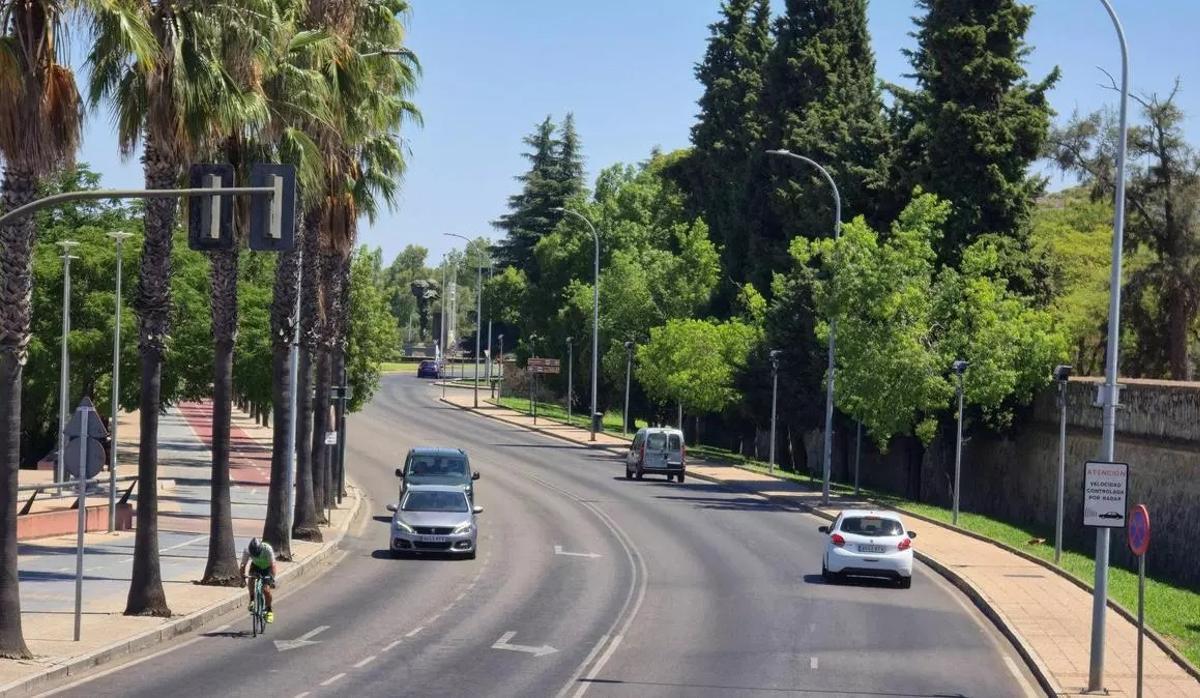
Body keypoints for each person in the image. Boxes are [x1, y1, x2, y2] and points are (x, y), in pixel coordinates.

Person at [241, 538, 277, 623]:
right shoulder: (247, 550)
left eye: (257, 554)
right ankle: (252, 599)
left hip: (267, 568)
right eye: (254, 555)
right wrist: (242, 577)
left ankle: (269, 610)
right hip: (256, 567)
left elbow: (273, 565)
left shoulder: (267, 549)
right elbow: (243, 565)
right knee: (251, 579)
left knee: (266, 590)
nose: (256, 556)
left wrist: (272, 578)